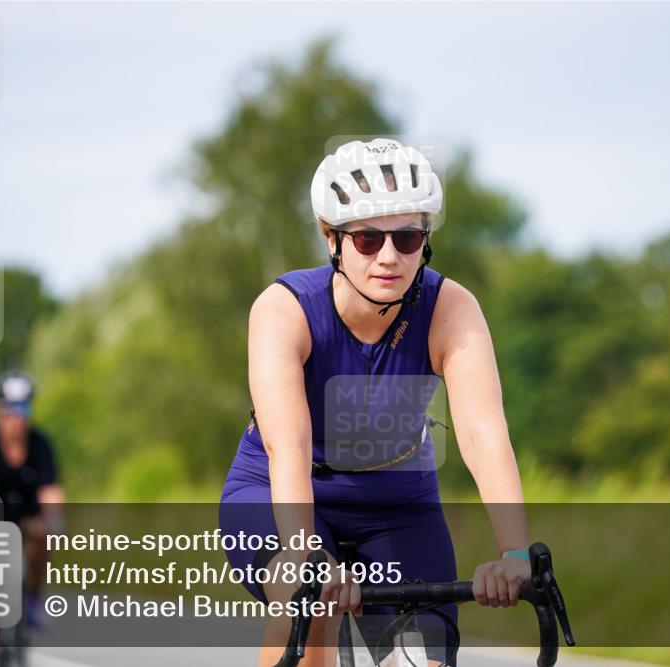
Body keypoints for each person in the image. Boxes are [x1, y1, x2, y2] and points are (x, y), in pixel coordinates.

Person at [219, 138, 532, 667]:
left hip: (397, 505)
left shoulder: (450, 308)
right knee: (309, 606)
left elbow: (482, 432)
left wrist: (516, 553)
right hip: (281, 490)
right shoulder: (284, 309)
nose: (389, 256)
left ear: (425, 241)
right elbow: (288, 444)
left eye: (407, 238)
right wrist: (305, 554)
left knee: (422, 658)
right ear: (332, 240)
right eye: (367, 240)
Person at [0, 370, 64, 667]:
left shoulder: (41, 444)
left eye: (24, 408)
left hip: (29, 520)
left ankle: (33, 597)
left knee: (47, 536)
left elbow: (51, 492)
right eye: (10, 408)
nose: (16, 417)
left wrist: (56, 520)